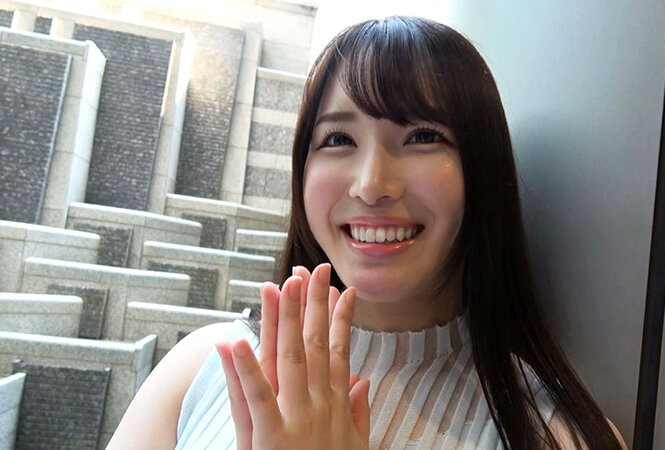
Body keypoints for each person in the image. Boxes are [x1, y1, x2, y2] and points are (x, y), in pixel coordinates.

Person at [109, 16, 626, 449]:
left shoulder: (554, 433)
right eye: (338, 139)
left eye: (422, 136)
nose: (372, 184)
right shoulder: (203, 366)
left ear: (481, 171)